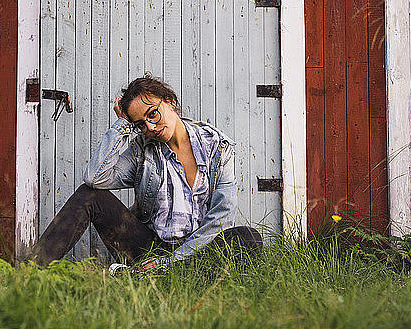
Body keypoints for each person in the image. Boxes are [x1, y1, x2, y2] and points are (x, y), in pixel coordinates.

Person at [31, 74, 262, 269]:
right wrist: (122, 125)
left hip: (195, 253)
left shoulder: (217, 147)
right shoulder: (142, 149)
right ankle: (28, 274)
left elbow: (221, 220)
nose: (150, 127)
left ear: (170, 102)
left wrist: (168, 263)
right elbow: (95, 178)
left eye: (152, 114)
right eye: (140, 124)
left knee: (248, 237)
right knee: (88, 195)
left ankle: (161, 276)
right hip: (148, 249)